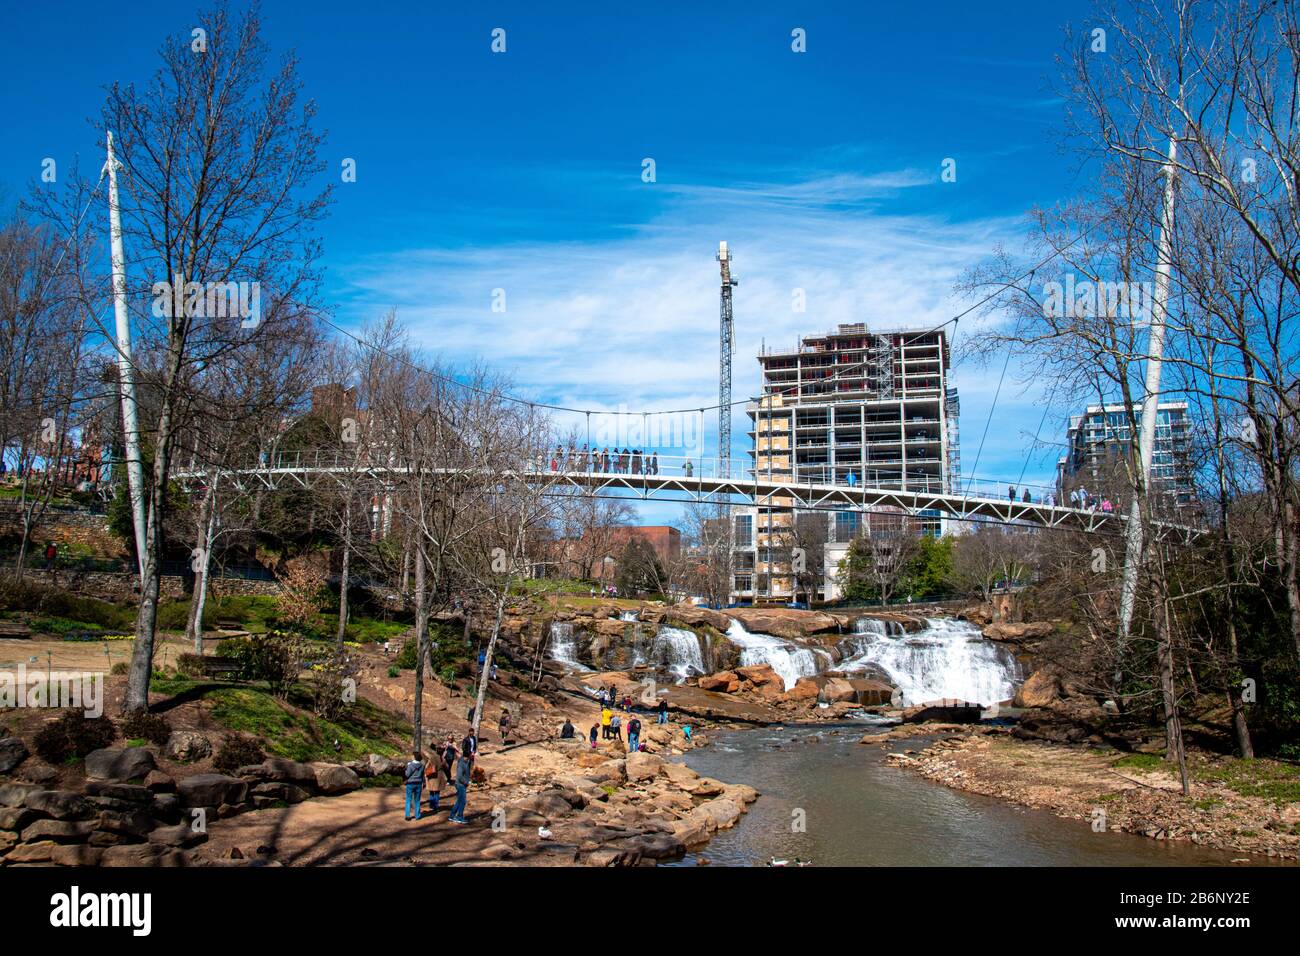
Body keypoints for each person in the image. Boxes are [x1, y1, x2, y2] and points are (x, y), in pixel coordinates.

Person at [449, 753, 472, 824]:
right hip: (460, 785)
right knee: (462, 801)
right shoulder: (461, 764)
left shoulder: (466, 762)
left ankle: (452, 815)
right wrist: (466, 782)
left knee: (459, 801)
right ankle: (459, 817)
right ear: (466, 756)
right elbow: (459, 776)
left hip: (462, 784)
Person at [403, 751, 425, 821]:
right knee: (417, 800)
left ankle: (407, 815)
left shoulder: (411, 765)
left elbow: (407, 774)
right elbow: (422, 775)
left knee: (408, 799)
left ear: (414, 757)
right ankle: (417, 815)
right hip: (418, 783)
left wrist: (407, 767)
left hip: (410, 783)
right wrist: (424, 783)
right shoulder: (422, 765)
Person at [424, 747, 447, 814]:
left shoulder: (432, 757)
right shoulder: (443, 759)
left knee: (431, 791)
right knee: (437, 792)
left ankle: (431, 805)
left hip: (432, 776)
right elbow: (447, 767)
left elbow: (426, 766)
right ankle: (436, 807)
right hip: (439, 777)